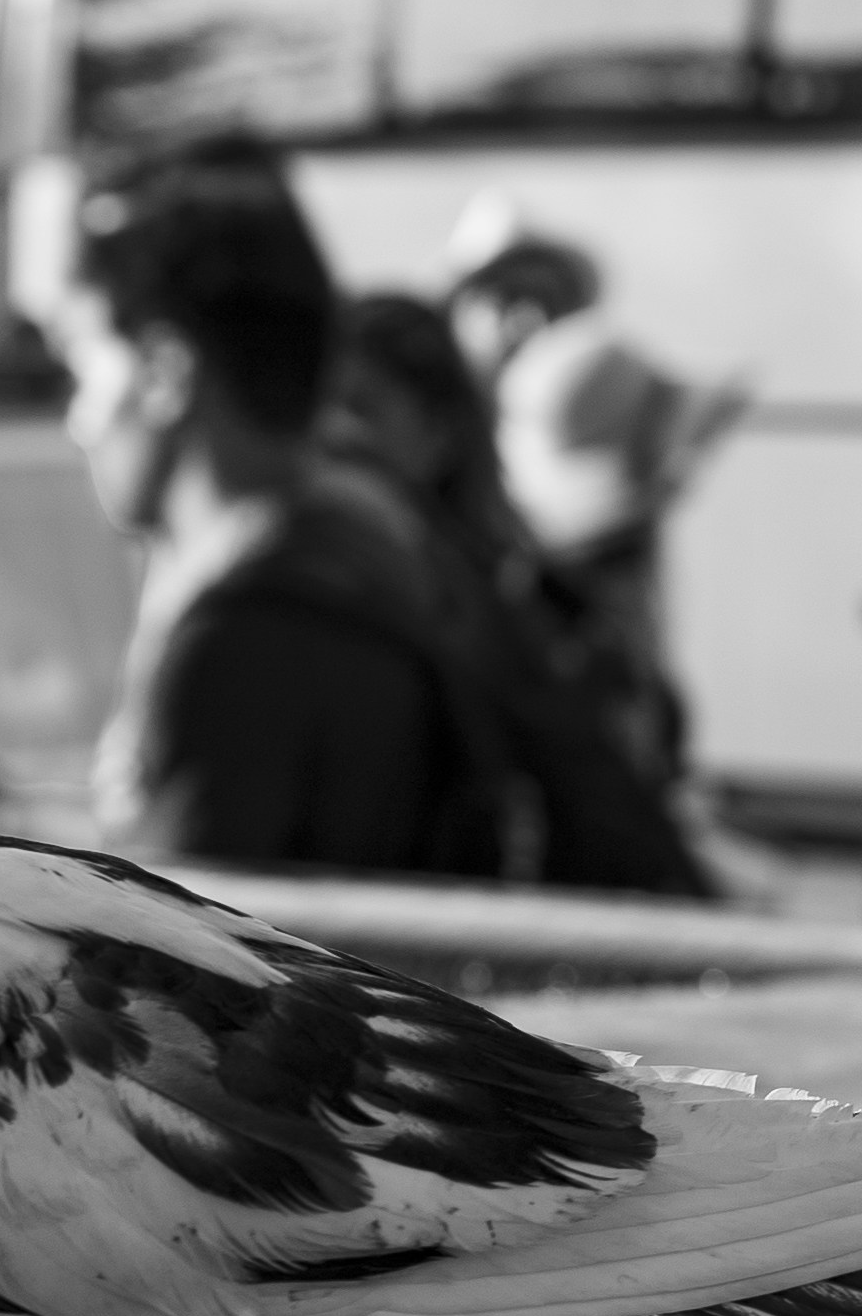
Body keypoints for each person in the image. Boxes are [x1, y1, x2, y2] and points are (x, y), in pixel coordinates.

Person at [61, 148, 516, 877]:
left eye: (82, 366)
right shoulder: (365, 551)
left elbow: (170, 936)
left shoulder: (245, 642)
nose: (76, 421)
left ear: (165, 373)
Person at [326, 291, 717, 899]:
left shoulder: (490, 612)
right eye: (315, 407)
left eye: (361, 407)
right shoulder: (485, 609)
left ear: (439, 433)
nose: (334, 435)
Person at [443, 200, 747, 791]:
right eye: (503, 298)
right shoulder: (446, 480)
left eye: (544, 297)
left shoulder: (592, 402)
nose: (527, 320)